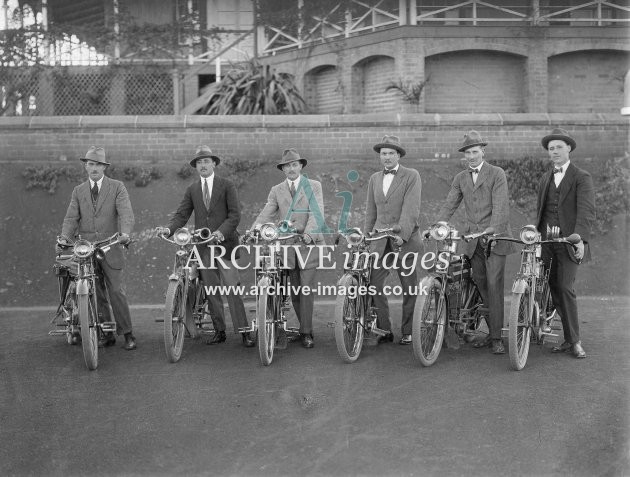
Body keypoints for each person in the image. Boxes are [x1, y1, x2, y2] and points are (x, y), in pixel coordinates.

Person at [155, 145, 254, 347]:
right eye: (199, 162)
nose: (203, 165)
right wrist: (168, 230)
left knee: (232, 289)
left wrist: (220, 232)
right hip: (203, 248)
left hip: (225, 245)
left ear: (214, 163)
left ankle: (244, 331)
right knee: (211, 290)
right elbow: (182, 215)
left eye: (206, 161)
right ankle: (220, 331)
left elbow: (235, 215)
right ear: (196, 167)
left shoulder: (227, 185)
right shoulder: (192, 189)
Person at [435, 131, 515, 354]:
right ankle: (492, 330)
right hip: (473, 241)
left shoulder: (496, 174)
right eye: (467, 153)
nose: (471, 156)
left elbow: (501, 207)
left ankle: (497, 338)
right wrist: (437, 226)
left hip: (495, 239)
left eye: (474, 151)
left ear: (483, 151)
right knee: (481, 284)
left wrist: (492, 229)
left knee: (493, 284)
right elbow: (449, 204)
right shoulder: (460, 178)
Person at [58, 146, 136, 350]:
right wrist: (64, 237)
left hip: (111, 246)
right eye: (91, 164)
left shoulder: (117, 187)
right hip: (87, 249)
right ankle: (106, 333)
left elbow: (126, 213)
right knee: (94, 291)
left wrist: (125, 233)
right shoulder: (78, 191)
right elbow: (71, 218)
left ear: (104, 167)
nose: (94, 168)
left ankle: (127, 333)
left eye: (98, 164)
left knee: (116, 290)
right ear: (86, 166)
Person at [250, 148, 326, 348]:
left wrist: (309, 234)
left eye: (294, 164)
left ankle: (307, 333)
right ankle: (302, 328)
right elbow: (267, 213)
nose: (291, 168)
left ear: (301, 166)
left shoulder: (313, 186)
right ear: (282, 169)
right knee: (295, 291)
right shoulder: (277, 190)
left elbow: (316, 213)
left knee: (306, 289)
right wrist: (254, 231)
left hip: (309, 245)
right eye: (287, 166)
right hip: (288, 245)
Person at [536, 128, 595, 359]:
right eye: (551, 149)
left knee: (565, 287)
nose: (555, 152)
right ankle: (568, 338)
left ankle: (575, 341)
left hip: (569, 243)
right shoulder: (545, 178)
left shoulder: (581, 177)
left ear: (569, 148)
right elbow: (541, 212)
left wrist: (579, 239)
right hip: (547, 242)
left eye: (559, 147)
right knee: (553, 288)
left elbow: (587, 212)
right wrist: (537, 237)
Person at [365, 135, 422, 345]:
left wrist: (402, 235)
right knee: (374, 283)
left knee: (408, 286)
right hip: (380, 240)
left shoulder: (411, 176)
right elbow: (371, 212)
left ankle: (408, 330)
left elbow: (411, 209)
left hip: (404, 240)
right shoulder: (374, 179)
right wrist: (366, 237)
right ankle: (384, 329)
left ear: (398, 155)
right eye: (383, 154)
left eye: (390, 153)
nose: (386, 157)